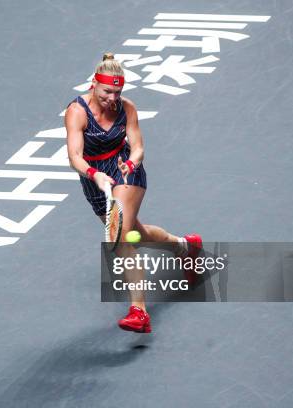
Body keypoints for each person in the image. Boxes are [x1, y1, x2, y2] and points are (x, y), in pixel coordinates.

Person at [64, 53, 202, 333]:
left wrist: (131, 162)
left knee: (122, 238)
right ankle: (186, 246)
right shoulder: (77, 112)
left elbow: (137, 146)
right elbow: (74, 157)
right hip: (94, 178)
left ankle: (139, 311)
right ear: (94, 85)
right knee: (138, 231)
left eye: (118, 92)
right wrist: (94, 175)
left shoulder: (127, 108)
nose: (112, 98)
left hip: (125, 171)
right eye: (107, 92)